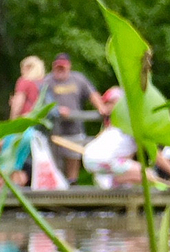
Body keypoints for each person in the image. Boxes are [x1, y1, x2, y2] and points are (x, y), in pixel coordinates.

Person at [39, 53, 110, 182]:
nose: (60, 70)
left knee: (74, 157)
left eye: (63, 67)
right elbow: (41, 101)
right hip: (54, 129)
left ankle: (73, 183)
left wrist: (101, 106)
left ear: (69, 67)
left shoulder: (78, 79)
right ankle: (58, 187)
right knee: (55, 160)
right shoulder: (47, 81)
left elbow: (92, 93)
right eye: (58, 67)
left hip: (75, 128)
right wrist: (56, 110)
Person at [83, 86, 170, 187]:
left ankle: (114, 184)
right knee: (148, 174)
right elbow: (156, 157)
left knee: (133, 178)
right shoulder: (136, 127)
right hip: (103, 159)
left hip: (91, 158)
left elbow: (126, 156)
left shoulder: (120, 124)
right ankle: (115, 181)